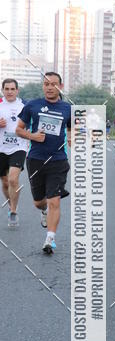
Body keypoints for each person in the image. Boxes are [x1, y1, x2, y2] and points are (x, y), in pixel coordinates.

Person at [15, 71, 71, 254]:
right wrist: (33, 136)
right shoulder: (33, 105)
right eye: (46, 84)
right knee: (39, 202)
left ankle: (50, 239)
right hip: (36, 159)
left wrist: (71, 138)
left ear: (60, 87)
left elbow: (72, 129)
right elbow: (19, 130)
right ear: (43, 86)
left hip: (58, 160)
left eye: (53, 84)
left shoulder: (67, 108)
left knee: (55, 200)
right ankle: (43, 209)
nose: (49, 87)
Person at [0, 78, 28, 228]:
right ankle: (12, 204)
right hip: (1, 148)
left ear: (17, 90)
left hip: (19, 147)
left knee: (12, 179)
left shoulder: (24, 106)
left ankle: (13, 210)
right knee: (4, 182)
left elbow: (32, 122)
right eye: (7, 89)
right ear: (3, 90)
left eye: (12, 89)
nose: (9, 92)